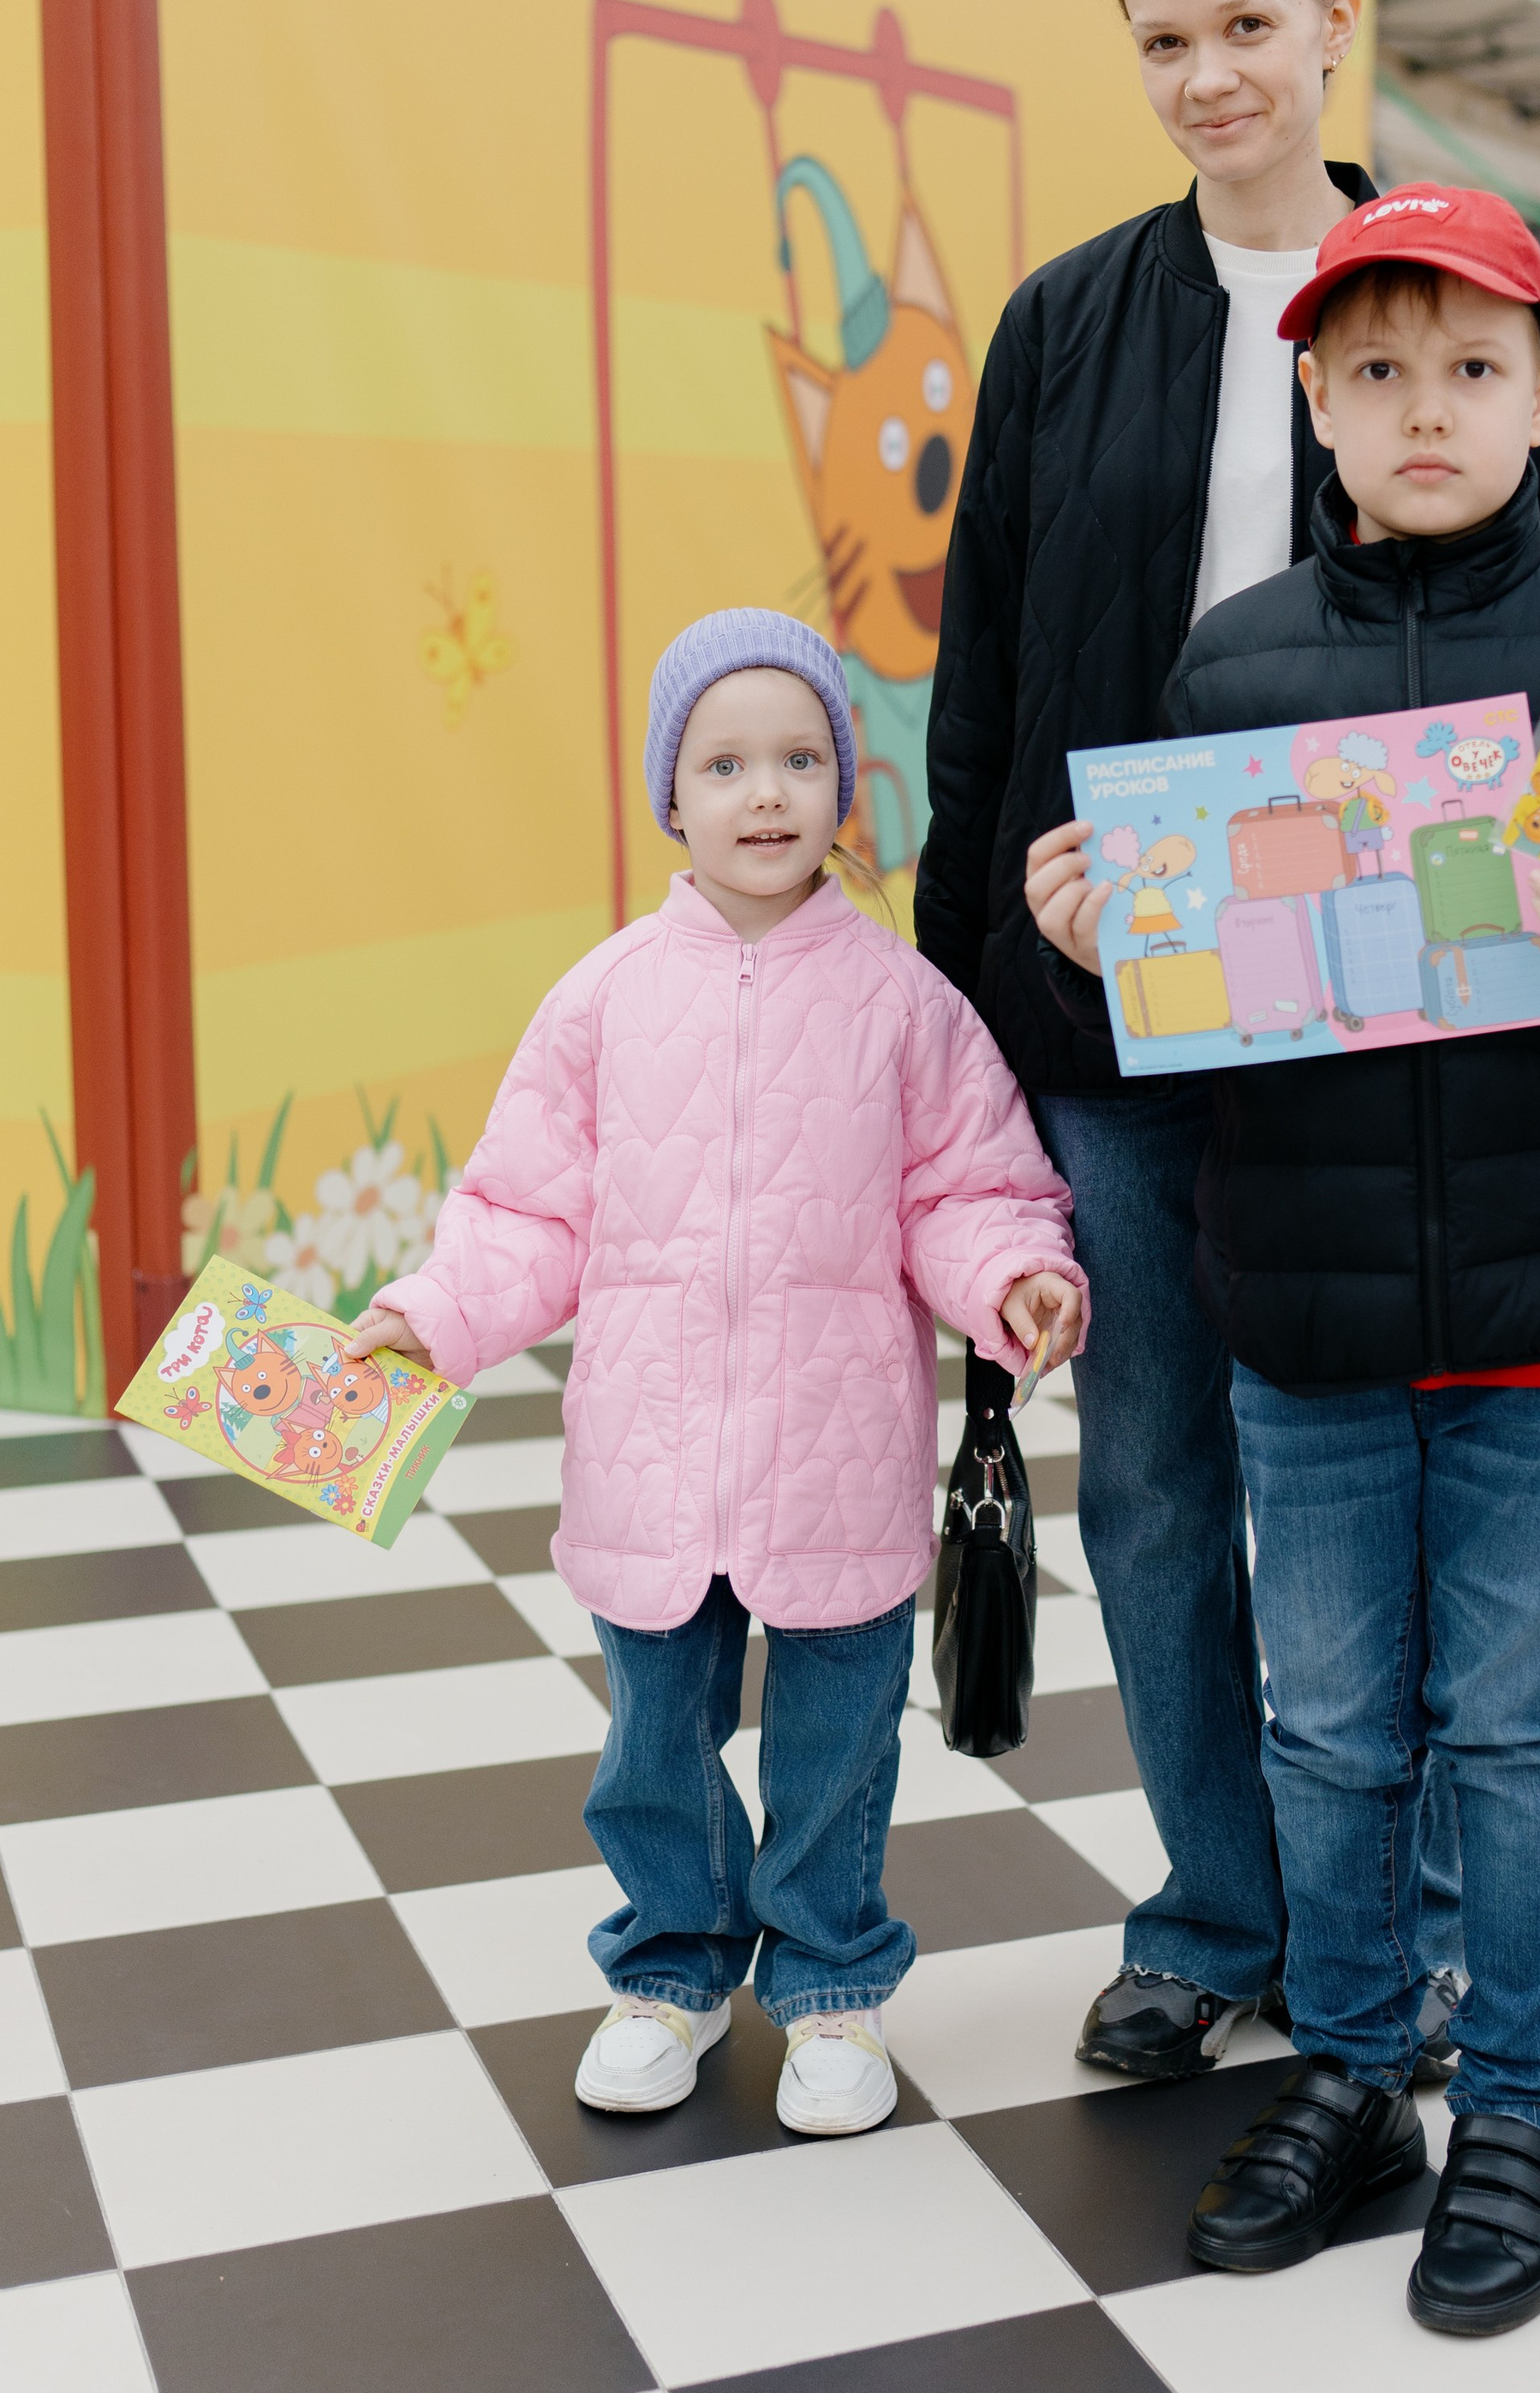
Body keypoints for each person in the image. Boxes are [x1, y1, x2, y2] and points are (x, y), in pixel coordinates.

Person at [1031, 186, 1540, 2331]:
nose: (1422, 406)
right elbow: (1179, 1002)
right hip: (1304, 1304)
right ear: (1313, 404)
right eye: (1374, 372)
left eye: (1468, 367)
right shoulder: (1231, 660)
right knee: (1340, 1722)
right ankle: (1354, 2071)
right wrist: (1106, 947)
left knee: (1515, 1721)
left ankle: (1518, 2104)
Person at [916, 0, 1540, 2084]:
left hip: (1373, 1025)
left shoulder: (1454, 296)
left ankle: (1385, 1934)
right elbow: (990, 669)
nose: (1205, 74)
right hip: (1120, 1014)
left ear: (1333, 19)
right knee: (1162, 1477)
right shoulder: (1063, 324)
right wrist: (971, 990)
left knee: (1380, 1481)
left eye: (1241, 24)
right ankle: (1217, 1905)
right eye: (1162, 39)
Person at [345, 611, 1084, 2139]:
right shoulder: (605, 998)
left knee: (836, 1742)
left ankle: (827, 1982)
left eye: (801, 758)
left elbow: (967, 1189)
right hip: (652, 1452)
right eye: (727, 761)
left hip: (838, 1452)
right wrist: (431, 1315)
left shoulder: (902, 1004)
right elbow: (525, 1213)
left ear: (845, 786)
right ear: (670, 795)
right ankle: (669, 1967)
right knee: (653, 1741)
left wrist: (1016, 1279)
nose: (767, 793)